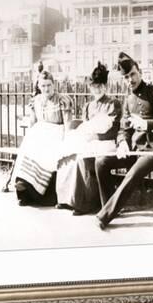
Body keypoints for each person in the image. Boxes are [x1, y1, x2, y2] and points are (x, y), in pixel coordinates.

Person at [95, 52, 153, 229]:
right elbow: (124, 129)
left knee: (132, 174)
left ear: (140, 72)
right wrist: (122, 143)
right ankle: (108, 207)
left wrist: (145, 124)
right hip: (135, 150)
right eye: (126, 77)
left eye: (133, 74)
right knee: (101, 162)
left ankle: (105, 216)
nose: (130, 80)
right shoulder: (128, 100)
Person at [56, 62, 122, 215]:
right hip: (91, 142)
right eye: (94, 87)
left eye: (100, 86)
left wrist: (95, 136)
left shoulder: (113, 104)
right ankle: (67, 199)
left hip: (106, 143)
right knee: (67, 154)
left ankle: (85, 203)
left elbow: (114, 132)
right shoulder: (88, 106)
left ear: (106, 86)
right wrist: (86, 136)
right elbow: (86, 128)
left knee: (82, 157)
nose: (97, 90)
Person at [11, 70, 73, 206]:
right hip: (40, 132)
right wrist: (32, 112)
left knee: (46, 154)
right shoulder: (36, 100)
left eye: (49, 85)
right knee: (28, 148)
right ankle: (24, 189)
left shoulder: (62, 100)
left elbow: (68, 123)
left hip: (57, 132)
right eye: (43, 85)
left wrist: (68, 141)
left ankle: (41, 193)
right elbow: (33, 123)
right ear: (39, 86)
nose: (46, 88)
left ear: (54, 85)